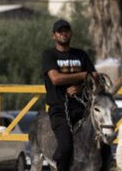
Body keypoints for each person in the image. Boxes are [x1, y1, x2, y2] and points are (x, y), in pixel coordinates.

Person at [41, 19, 103, 171]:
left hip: (82, 108)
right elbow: (56, 79)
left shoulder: (81, 54)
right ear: (53, 36)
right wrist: (84, 75)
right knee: (66, 147)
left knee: (103, 145)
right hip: (59, 109)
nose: (64, 34)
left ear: (71, 34)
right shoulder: (49, 55)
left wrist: (81, 88)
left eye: (66, 31)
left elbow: (95, 78)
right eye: (60, 31)